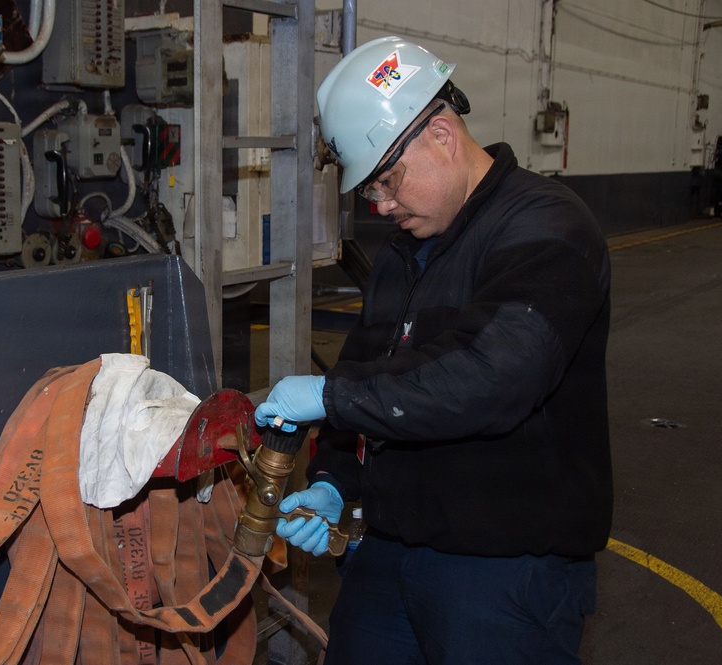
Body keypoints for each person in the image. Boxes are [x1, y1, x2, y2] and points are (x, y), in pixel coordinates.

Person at [254, 36, 612, 664]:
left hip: (505, 571)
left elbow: (494, 375)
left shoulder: (547, 228)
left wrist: (332, 397)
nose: (382, 206)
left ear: (442, 135)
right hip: (391, 550)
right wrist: (336, 481)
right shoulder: (403, 254)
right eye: (370, 192)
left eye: (388, 181)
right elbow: (369, 371)